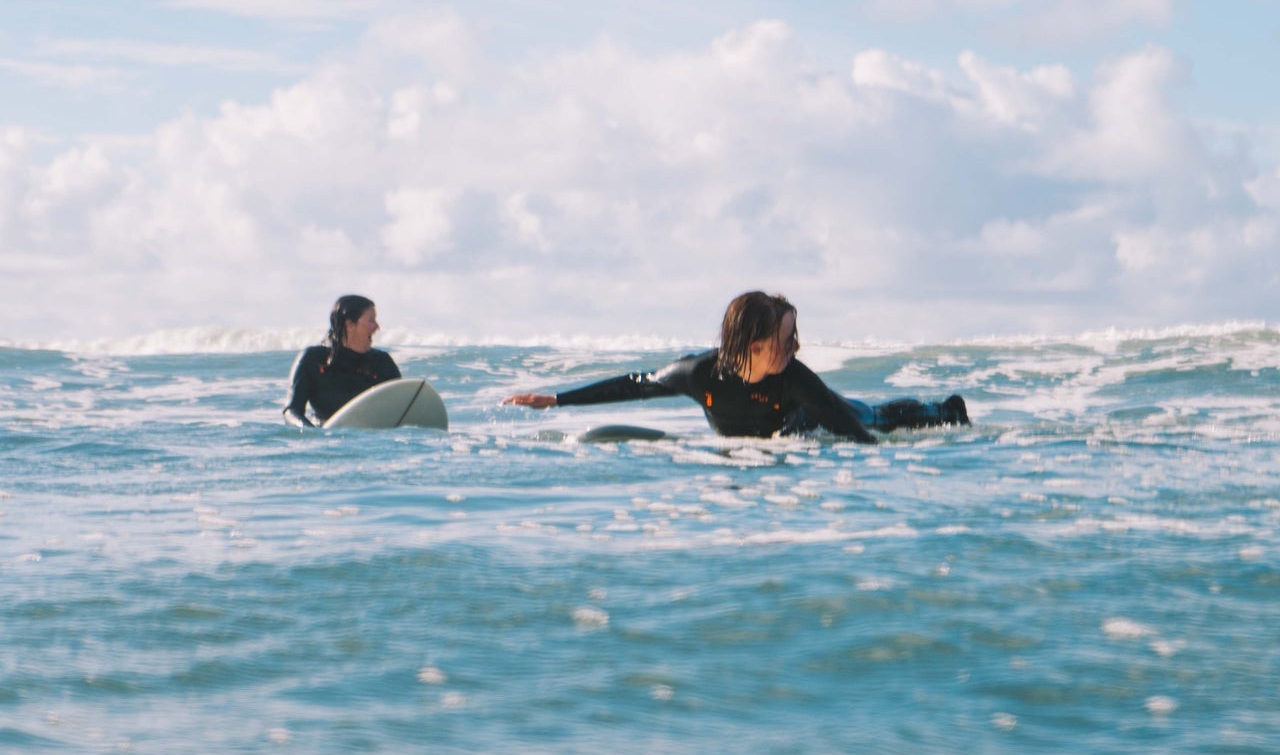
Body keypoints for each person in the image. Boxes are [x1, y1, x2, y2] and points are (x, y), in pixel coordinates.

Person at [503, 291, 969, 444]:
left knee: (882, 418)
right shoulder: (699, 374)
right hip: (756, 443)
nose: (796, 347)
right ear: (751, 342)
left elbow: (857, 434)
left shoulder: (795, 380)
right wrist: (557, 400)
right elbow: (635, 386)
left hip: (826, 419)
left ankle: (945, 408)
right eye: (786, 340)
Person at [283, 295, 401, 427]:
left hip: (371, 437)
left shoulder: (382, 362)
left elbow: (403, 407)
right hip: (328, 436)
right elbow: (291, 411)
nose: (377, 327)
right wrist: (311, 432)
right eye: (371, 320)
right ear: (349, 324)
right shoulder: (312, 359)